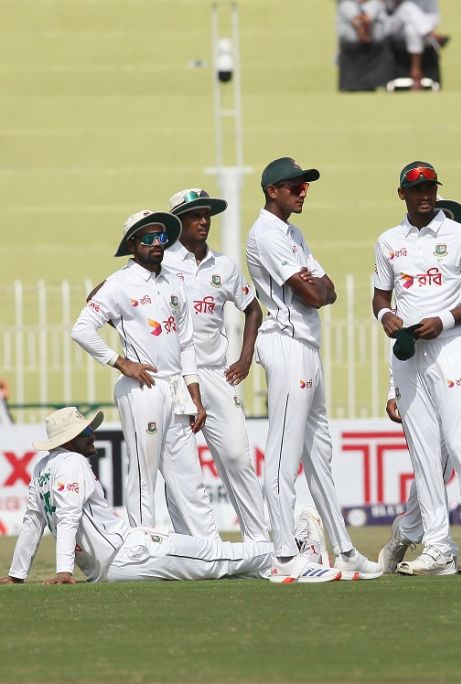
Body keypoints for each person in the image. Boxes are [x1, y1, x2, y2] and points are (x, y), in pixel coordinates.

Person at [246, 156, 383, 583]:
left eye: (305, 185)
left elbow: (331, 290)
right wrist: (314, 285)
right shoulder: (266, 234)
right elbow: (312, 291)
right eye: (294, 186)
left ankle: (343, 550)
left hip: (307, 345)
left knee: (319, 456)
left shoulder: (293, 233)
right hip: (285, 343)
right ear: (273, 191)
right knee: (284, 455)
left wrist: (316, 286)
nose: (303, 191)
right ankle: (285, 556)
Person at [0, 408, 330, 584]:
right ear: (70, 440)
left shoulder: (42, 467)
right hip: (131, 553)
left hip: (106, 570)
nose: (92, 435)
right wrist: (63, 571)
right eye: (86, 431)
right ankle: (296, 552)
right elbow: (68, 515)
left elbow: (32, 522)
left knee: (221, 561)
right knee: (218, 555)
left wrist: (17, 574)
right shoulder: (72, 462)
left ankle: (292, 557)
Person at [372, 162, 461, 576]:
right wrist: (386, 316)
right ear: (401, 194)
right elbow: (380, 297)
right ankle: (439, 548)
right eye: (417, 188)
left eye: (430, 188)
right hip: (408, 355)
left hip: (448, 347)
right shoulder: (389, 241)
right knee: (423, 455)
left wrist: (443, 321)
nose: (426, 194)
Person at [71, 210, 219, 539]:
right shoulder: (119, 284)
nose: (157, 244)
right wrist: (121, 362)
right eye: (149, 238)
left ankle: (209, 548)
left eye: (162, 237)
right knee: (143, 474)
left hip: (176, 390)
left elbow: (186, 344)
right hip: (142, 388)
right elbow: (81, 329)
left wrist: (194, 394)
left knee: (189, 477)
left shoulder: (175, 282)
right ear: (132, 243)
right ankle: (144, 545)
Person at [162, 188, 270, 544]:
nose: (203, 221)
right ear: (177, 221)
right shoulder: (159, 261)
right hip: (173, 379)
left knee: (238, 456)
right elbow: (120, 294)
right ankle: (190, 545)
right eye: (194, 215)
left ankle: (260, 543)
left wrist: (245, 357)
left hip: (215, 372)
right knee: (180, 469)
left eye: (206, 214)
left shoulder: (223, 265)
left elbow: (253, 308)